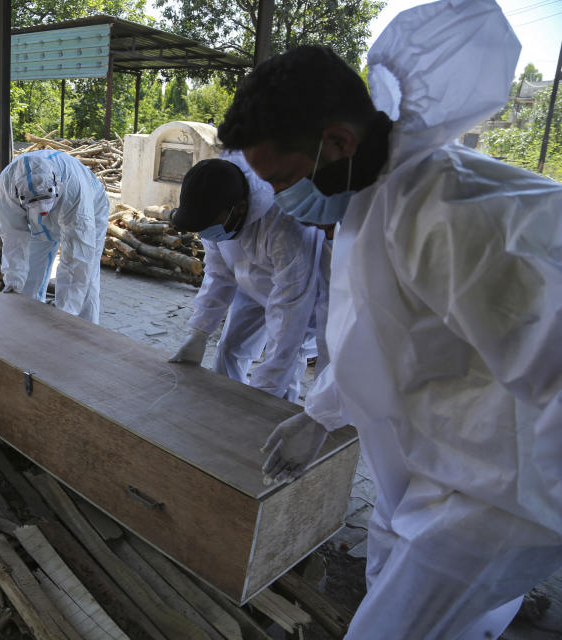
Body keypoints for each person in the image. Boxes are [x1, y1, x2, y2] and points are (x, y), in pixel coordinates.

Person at [219, 2, 562, 639]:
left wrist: (532, 505)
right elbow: (371, 335)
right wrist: (320, 414)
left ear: (338, 143)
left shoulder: (454, 212)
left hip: (508, 484)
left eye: (289, 179)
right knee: (393, 578)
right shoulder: (371, 200)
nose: (288, 201)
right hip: (440, 453)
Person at [168, 156, 324, 402]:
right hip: (249, 287)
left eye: (210, 224)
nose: (206, 232)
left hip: (296, 297)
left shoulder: (285, 225)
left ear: (239, 208)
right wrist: (199, 332)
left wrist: (266, 388)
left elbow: (288, 313)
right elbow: (219, 274)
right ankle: (223, 411)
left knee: (285, 364)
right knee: (230, 350)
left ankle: (275, 417)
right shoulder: (213, 210)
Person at [0, 150, 109, 324]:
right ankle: (25, 325)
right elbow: (13, 237)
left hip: (89, 208)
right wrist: (13, 282)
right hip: (38, 222)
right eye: (34, 202)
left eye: (45, 200)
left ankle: (83, 331)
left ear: (56, 182)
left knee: (87, 277)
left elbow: (77, 258)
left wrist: (66, 315)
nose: (43, 210)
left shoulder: (73, 188)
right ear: (18, 192)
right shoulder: (5, 187)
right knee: (29, 277)